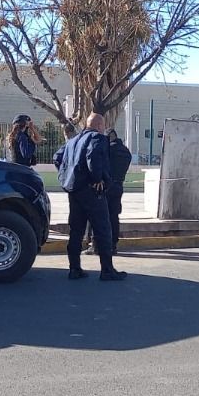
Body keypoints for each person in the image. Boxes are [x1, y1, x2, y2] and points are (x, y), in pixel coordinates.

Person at [54, 113, 127, 281]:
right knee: (103, 229)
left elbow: (57, 158)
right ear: (100, 126)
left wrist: (68, 177)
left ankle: (74, 268)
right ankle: (107, 270)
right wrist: (98, 179)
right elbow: (93, 156)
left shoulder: (72, 141)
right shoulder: (98, 138)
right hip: (91, 191)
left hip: (74, 191)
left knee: (76, 230)